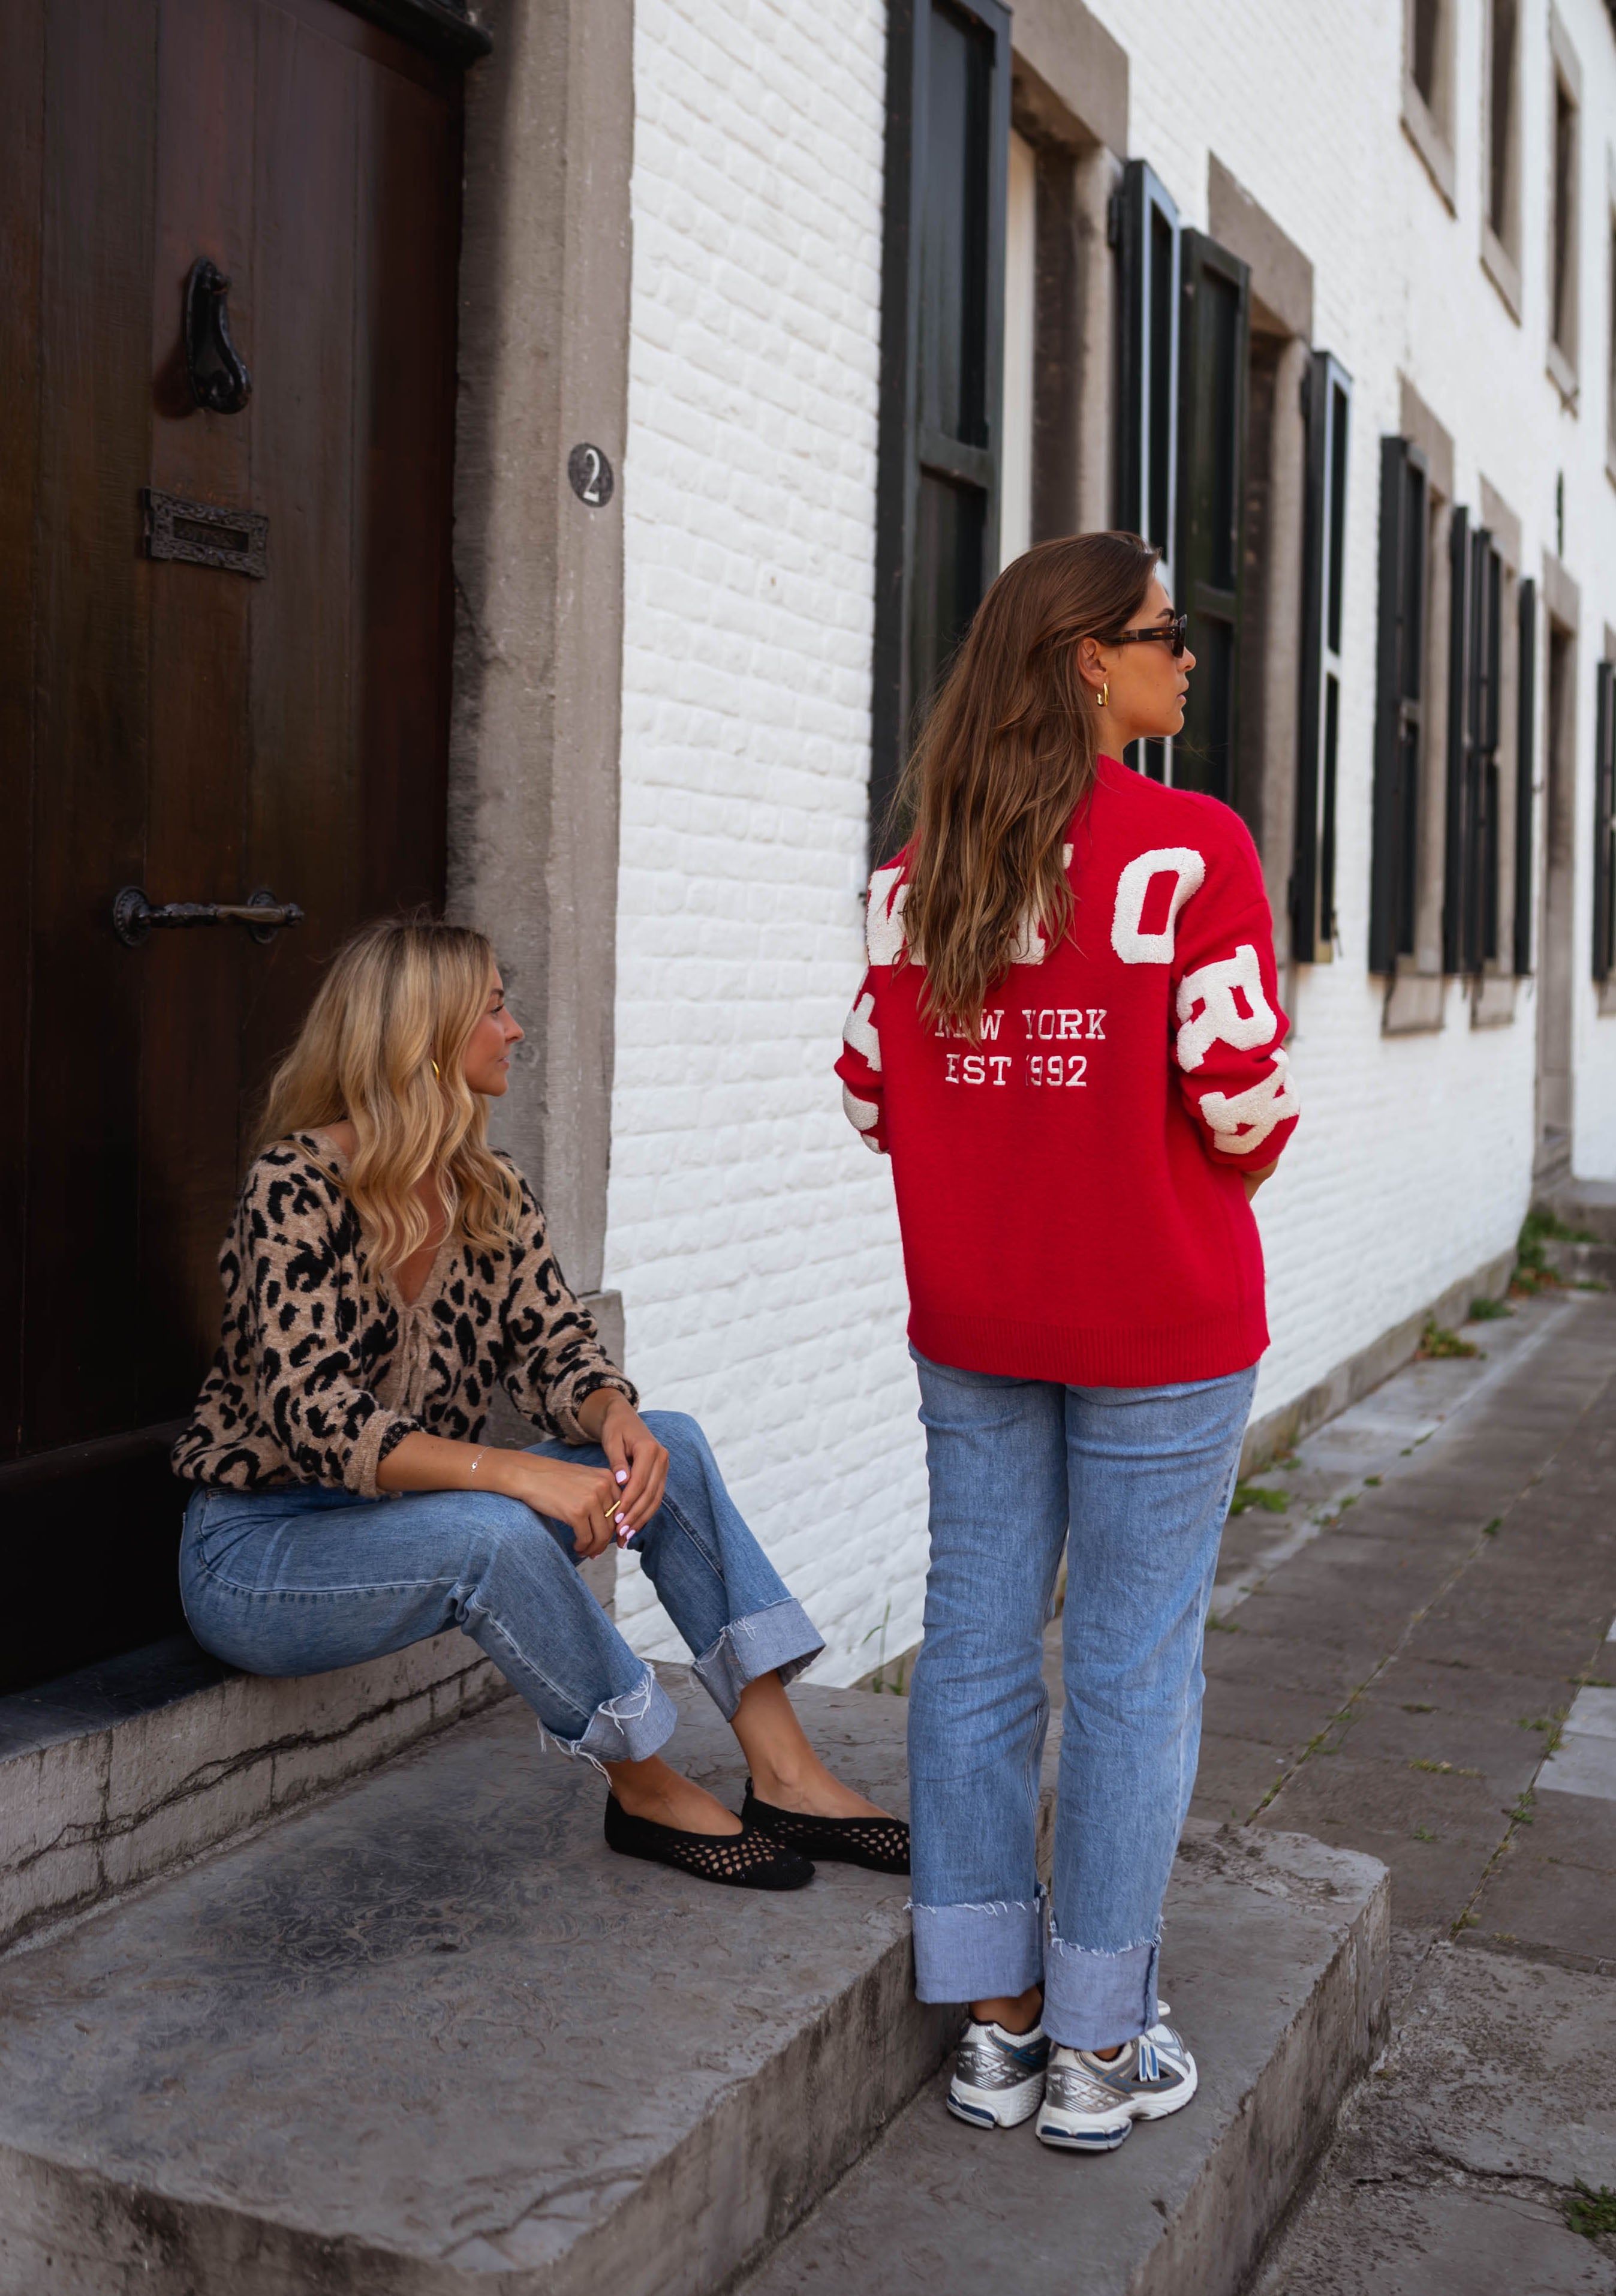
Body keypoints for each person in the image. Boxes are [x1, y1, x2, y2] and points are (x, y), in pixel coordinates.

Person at [835, 532, 1298, 2148]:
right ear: (1089, 657)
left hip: (979, 1316)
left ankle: (997, 2024)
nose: (1192, 659)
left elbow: (868, 1094)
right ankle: (1103, 2044)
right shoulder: (1190, 849)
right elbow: (1246, 1112)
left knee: (974, 1643)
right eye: (1170, 634)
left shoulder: (920, 870)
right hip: (1160, 1319)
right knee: (1125, 1663)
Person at [174, 916, 908, 1891]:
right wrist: (513, 1474)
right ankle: (642, 1786)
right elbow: (317, 1419)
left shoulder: (486, 1189)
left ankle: (788, 1777)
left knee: (673, 1448)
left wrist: (615, 1416)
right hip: (263, 1554)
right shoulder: (296, 1188)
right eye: (493, 1009)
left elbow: (557, 1347)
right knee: (495, 1530)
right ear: (423, 1036)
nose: (516, 1029)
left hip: (413, 1521)